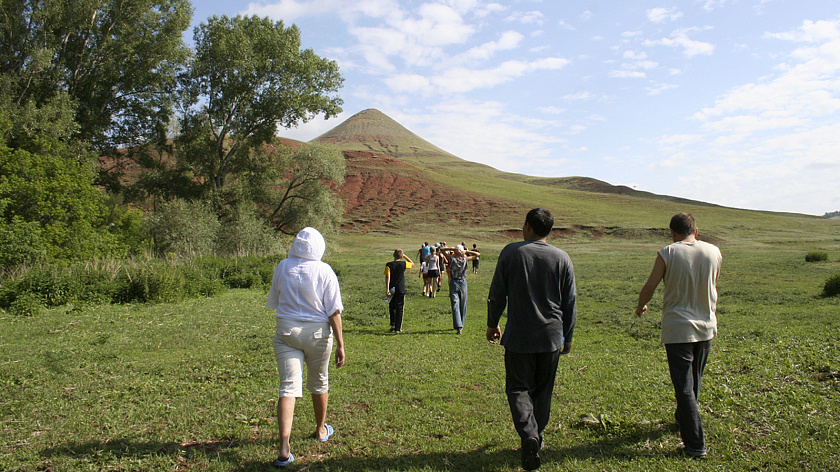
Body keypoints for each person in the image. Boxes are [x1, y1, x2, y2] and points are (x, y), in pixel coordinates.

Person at [486, 208, 576, 471]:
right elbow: (569, 301)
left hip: (519, 336)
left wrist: (493, 323)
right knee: (543, 391)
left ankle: (529, 436)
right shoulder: (562, 258)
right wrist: (568, 335)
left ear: (527, 226)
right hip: (551, 336)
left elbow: (497, 292)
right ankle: (537, 437)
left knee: (518, 388)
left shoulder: (511, 252)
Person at [635, 212, 721, 460]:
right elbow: (713, 284)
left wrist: (641, 306)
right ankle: (683, 419)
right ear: (696, 230)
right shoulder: (714, 251)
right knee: (695, 379)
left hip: (678, 328)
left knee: (683, 386)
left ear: (672, 232)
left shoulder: (668, 252)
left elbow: (649, 287)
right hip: (706, 326)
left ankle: (695, 445)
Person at [266, 227, 345, 467]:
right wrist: (341, 344)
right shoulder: (324, 270)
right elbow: (334, 311)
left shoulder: (282, 266)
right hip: (318, 334)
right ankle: (321, 429)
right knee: (319, 380)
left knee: (288, 387)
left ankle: (283, 447)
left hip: (287, 331)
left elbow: (275, 300)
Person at [441, 244, 480, 334]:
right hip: (455, 282)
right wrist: (452, 248)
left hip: (461, 282)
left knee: (462, 304)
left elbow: (478, 255)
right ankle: (459, 325)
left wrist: (466, 251)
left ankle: (460, 324)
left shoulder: (465, 259)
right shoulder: (451, 258)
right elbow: (442, 250)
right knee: (455, 303)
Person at [385, 249, 414, 333]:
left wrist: (387, 289)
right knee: (400, 308)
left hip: (392, 289)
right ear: (401, 256)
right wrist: (404, 256)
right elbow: (412, 263)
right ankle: (398, 327)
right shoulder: (403, 264)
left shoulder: (389, 265)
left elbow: (388, 277)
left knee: (392, 307)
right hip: (401, 288)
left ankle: (393, 324)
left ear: (393, 255)